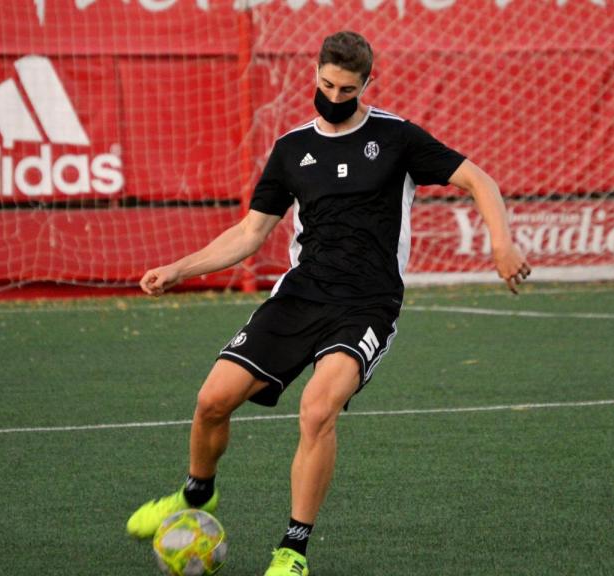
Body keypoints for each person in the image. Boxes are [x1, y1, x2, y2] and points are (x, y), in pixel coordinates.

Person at [126, 30, 530, 576]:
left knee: (317, 409)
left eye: (346, 89)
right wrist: (180, 268)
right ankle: (197, 496)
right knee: (211, 402)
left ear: (367, 84)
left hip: (367, 304)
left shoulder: (397, 139)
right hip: (300, 295)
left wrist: (500, 243)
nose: (334, 97)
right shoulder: (292, 149)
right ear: (314, 74)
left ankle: (293, 549)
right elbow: (250, 234)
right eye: (326, 84)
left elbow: (478, 180)